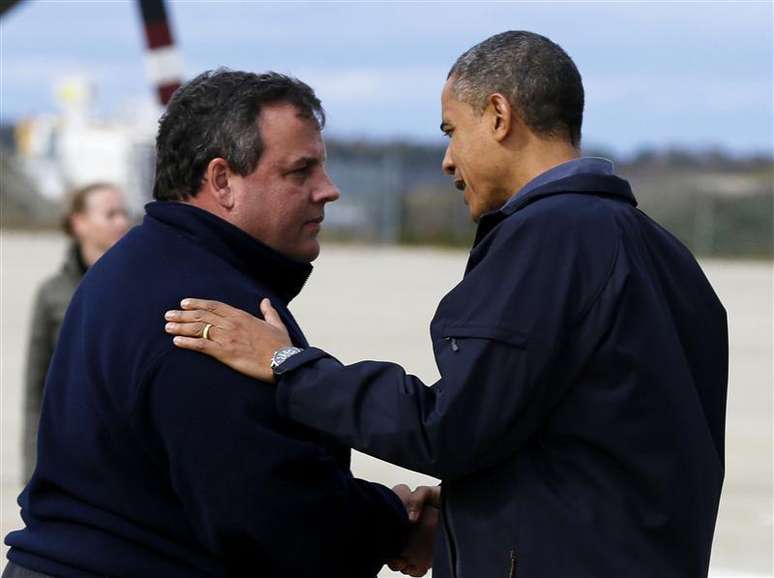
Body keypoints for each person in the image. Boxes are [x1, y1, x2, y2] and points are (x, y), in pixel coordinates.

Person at [164, 32, 729, 578]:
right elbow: (589, 437)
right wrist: (480, 506)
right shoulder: (663, 251)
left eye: (451, 131)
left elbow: (451, 428)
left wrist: (290, 367)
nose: (448, 160)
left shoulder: (549, 239)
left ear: (499, 115)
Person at [4, 70, 437, 578]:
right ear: (222, 181)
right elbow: (268, 513)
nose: (329, 190)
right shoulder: (204, 312)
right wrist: (397, 525)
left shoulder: (136, 264)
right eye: (301, 172)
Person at [22, 182, 129, 482]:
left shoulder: (139, 286)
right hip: (71, 459)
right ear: (79, 223)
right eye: (110, 214)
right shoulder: (52, 293)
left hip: (127, 459)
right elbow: (35, 391)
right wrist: (33, 469)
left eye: (123, 212)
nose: (122, 222)